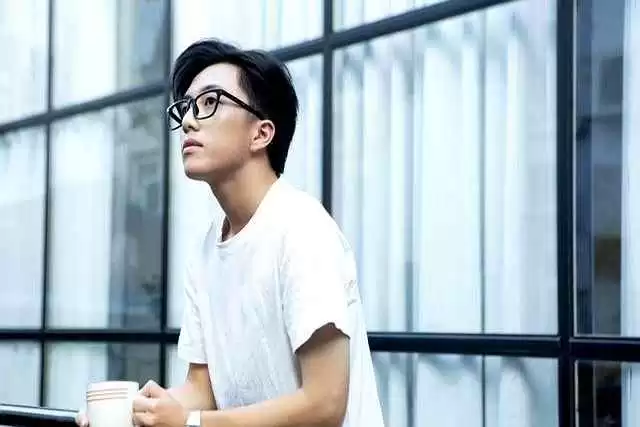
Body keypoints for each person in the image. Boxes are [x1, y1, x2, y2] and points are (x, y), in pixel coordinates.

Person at [77, 38, 384, 427]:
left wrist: (191, 423)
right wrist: (127, 412)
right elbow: (201, 391)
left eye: (209, 102)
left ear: (261, 133)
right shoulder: (206, 249)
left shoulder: (302, 228)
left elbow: (325, 403)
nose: (189, 121)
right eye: (186, 107)